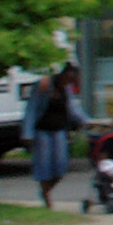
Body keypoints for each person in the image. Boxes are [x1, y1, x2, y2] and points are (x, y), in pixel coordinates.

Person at [23, 64, 85, 206]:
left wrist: (86, 121)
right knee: (44, 165)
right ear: (61, 75)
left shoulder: (66, 90)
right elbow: (31, 109)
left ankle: (47, 190)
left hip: (59, 129)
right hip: (42, 130)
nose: (68, 82)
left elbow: (73, 109)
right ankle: (46, 196)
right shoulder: (43, 86)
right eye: (67, 78)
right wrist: (27, 133)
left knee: (61, 165)